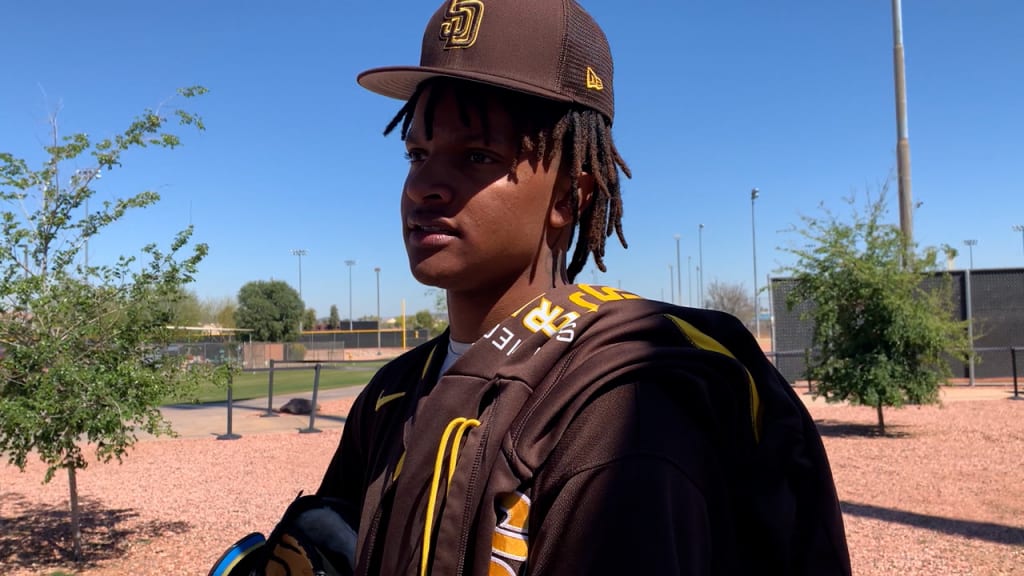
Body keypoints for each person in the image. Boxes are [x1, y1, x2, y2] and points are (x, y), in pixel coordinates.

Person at [315, 1, 852, 574]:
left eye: (476, 156)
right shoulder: (394, 390)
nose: (424, 186)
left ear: (572, 196)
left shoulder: (623, 407)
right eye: (417, 154)